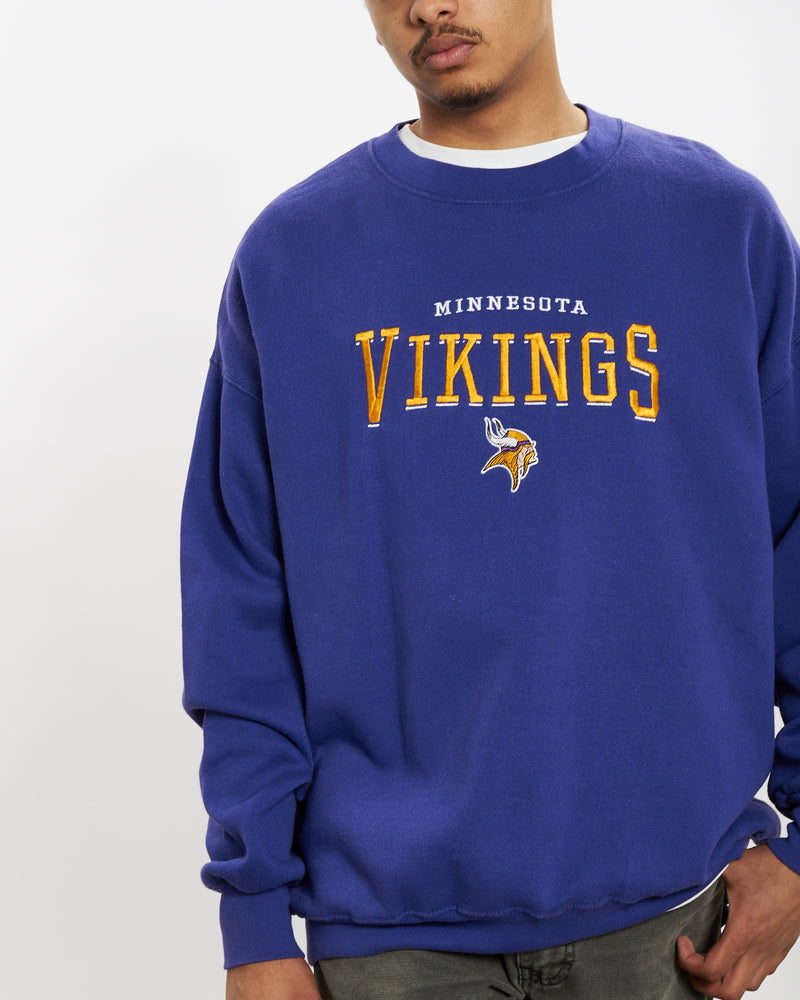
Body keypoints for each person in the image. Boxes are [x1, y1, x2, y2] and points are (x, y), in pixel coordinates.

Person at [180, 2, 800, 998]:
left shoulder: (717, 226)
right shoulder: (294, 256)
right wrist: (252, 922)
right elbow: (241, 602)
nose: (430, 5)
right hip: (391, 940)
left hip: (672, 923)